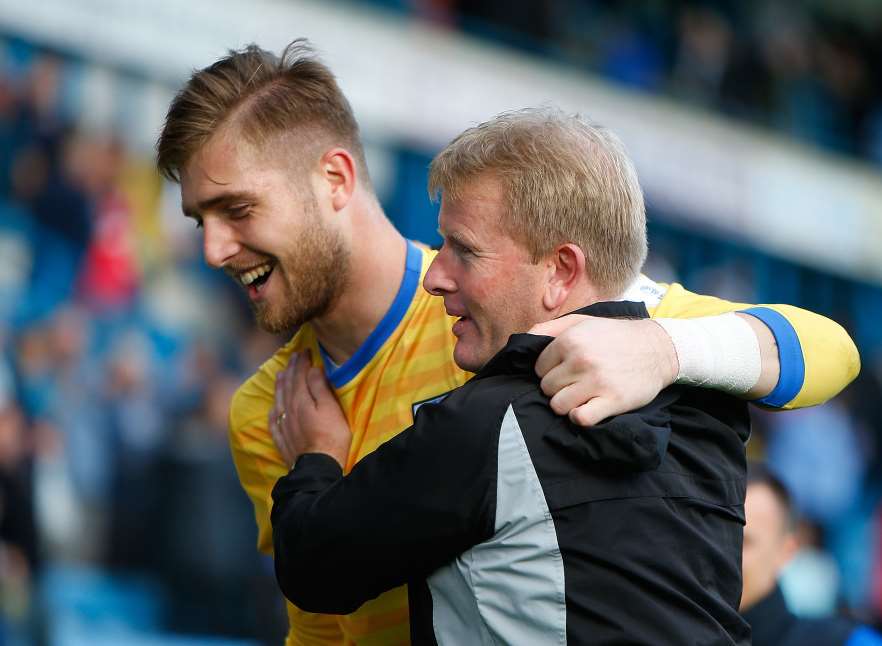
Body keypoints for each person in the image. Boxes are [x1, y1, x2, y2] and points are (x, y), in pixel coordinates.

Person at [156, 41, 860, 645]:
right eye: (199, 221)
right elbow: (317, 622)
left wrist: (665, 350)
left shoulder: (518, 315)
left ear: (335, 177)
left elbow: (829, 351)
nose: (215, 248)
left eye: (237, 209)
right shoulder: (266, 409)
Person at [271, 107, 757, 644]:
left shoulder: (487, 427)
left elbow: (313, 568)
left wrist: (314, 459)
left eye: (465, 251)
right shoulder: (713, 405)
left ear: (561, 271)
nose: (436, 276)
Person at [741, 464, 882, 646]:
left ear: (786, 552)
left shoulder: (845, 641)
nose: (722, 554)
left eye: (744, 542)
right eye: (715, 538)